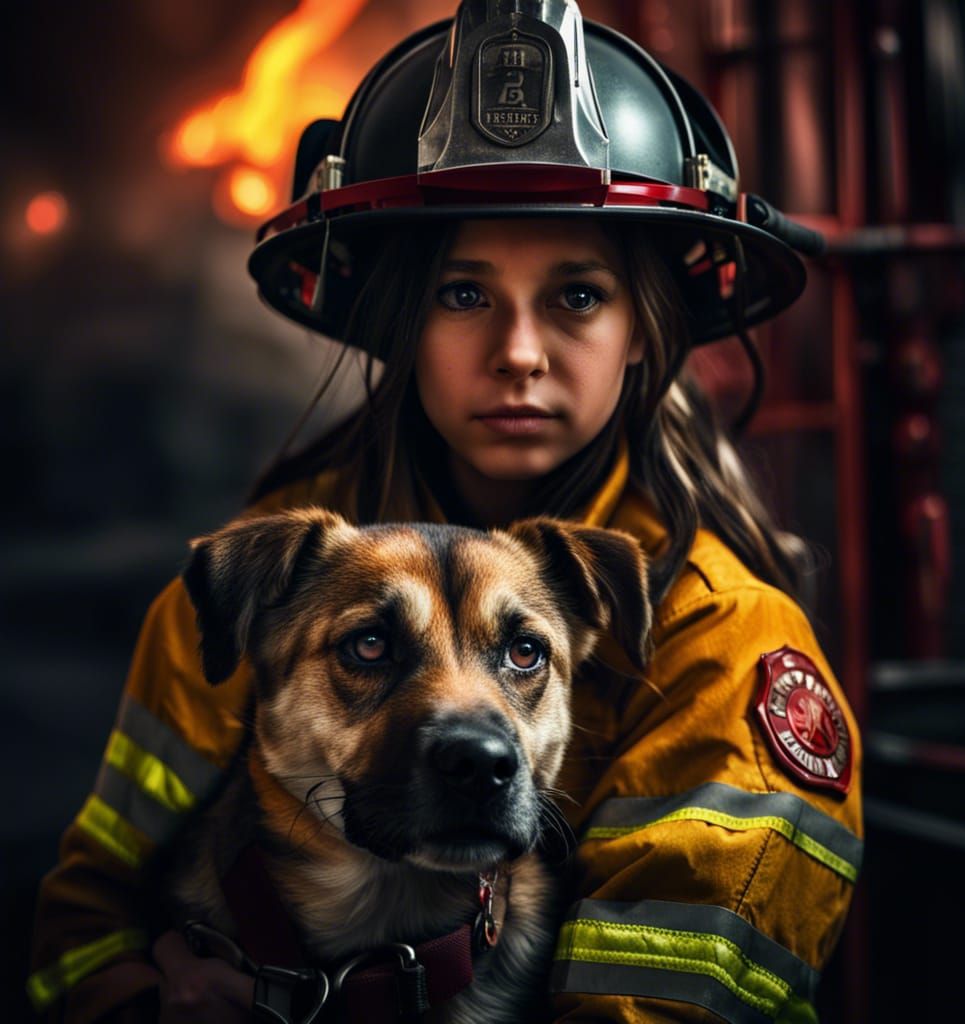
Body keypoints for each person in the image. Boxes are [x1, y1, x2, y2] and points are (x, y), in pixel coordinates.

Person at [29, 2, 862, 1021]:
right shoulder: (269, 587)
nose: (518, 351)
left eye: (578, 296)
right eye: (464, 295)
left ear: (647, 329)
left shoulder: (722, 644)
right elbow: (86, 913)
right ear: (400, 320)